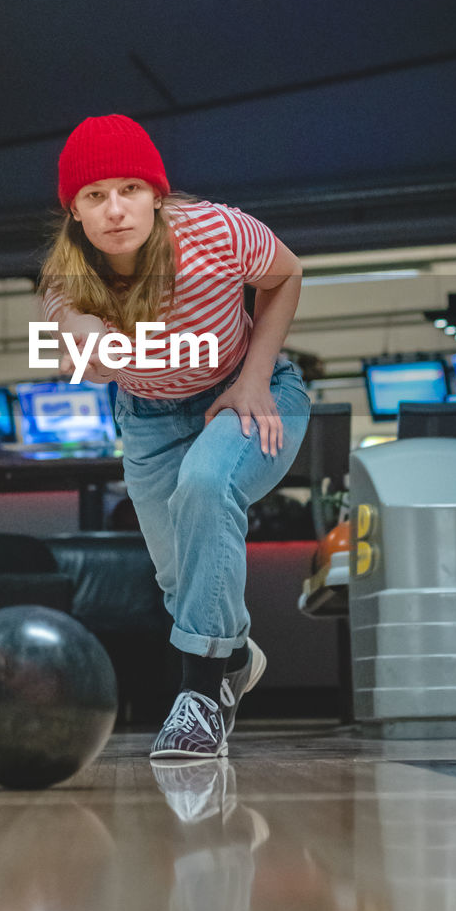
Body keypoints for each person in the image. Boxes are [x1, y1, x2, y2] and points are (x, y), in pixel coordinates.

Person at [40, 114, 311, 760]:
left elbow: (287, 275)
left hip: (252, 395)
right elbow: (69, 334)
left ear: (157, 195)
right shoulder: (67, 278)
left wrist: (252, 380)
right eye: (95, 195)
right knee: (181, 578)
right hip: (150, 419)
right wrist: (85, 345)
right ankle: (236, 656)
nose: (115, 209)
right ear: (75, 211)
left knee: (206, 486)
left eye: (130, 189)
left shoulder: (218, 230)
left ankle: (200, 700)